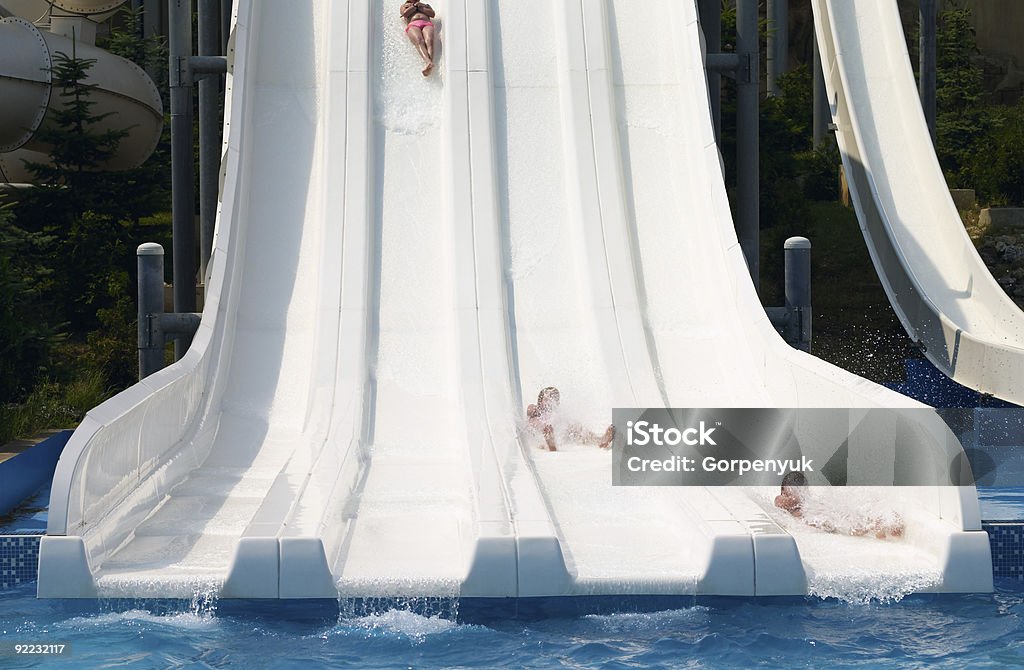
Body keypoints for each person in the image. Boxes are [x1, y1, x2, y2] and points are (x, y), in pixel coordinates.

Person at [774, 471, 905, 539]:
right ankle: (882, 523)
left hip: (819, 515)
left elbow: (783, 501)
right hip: (820, 516)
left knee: (850, 523)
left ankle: (883, 523)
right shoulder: (805, 504)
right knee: (850, 521)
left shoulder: (798, 503)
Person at [526, 387, 615, 452]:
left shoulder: (556, 414)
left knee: (573, 425)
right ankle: (549, 440)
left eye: (553, 398)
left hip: (556, 433)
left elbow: (564, 421)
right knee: (535, 422)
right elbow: (530, 411)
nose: (550, 400)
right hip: (539, 433)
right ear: (540, 400)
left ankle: (600, 440)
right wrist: (536, 411)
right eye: (547, 398)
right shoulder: (535, 409)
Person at [400, 2, 437, 76]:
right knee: (419, 41)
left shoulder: (425, 5)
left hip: (426, 23)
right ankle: (428, 62)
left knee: (429, 40)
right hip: (413, 24)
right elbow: (405, 14)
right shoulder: (405, 5)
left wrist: (421, 8)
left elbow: (432, 14)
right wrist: (414, 6)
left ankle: (429, 64)